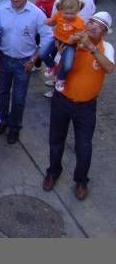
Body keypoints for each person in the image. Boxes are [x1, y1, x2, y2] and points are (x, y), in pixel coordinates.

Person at [43, 12, 114, 200]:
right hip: (62, 101)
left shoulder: (106, 48)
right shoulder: (71, 42)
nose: (92, 26)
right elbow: (56, 72)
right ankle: (53, 171)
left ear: (104, 32)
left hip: (86, 107)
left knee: (84, 146)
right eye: (91, 22)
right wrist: (59, 53)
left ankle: (81, 180)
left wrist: (92, 48)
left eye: (98, 26)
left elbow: (109, 68)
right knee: (56, 140)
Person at [0, 0, 52, 144]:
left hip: (24, 63)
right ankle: (3, 120)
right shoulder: (1, 10)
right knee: (1, 93)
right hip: (4, 59)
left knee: (19, 98)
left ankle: (14, 128)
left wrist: (35, 58)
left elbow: (48, 37)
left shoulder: (36, 14)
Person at [40, 0, 85, 93]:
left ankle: (61, 78)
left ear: (77, 11)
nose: (69, 16)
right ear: (61, 10)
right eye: (66, 13)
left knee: (68, 65)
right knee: (42, 53)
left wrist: (75, 38)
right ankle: (51, 66)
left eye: (72, 14)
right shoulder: (59, 15)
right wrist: (48, 22)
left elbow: (81, 36)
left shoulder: (79, 22)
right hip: (57, 39)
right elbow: (53, 22)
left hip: (70, 44)